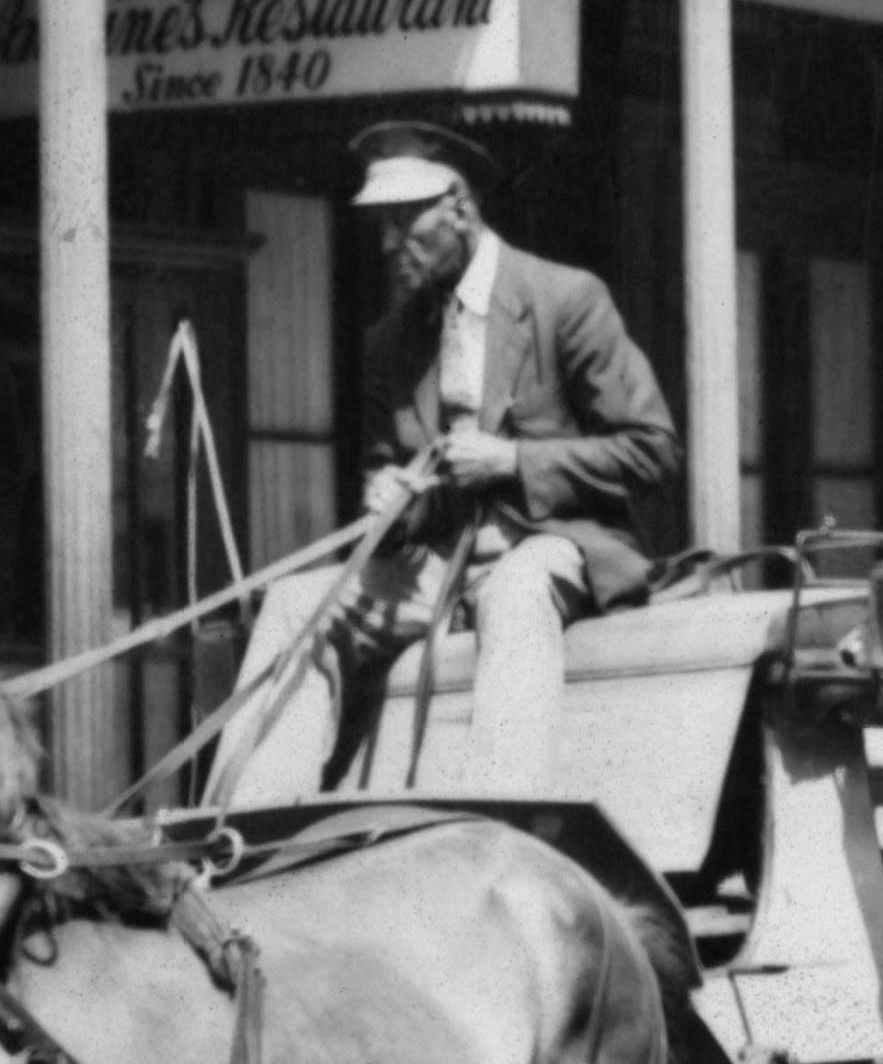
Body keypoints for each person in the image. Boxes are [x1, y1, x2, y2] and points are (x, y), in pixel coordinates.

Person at [217, 120, 673, 801]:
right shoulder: (389, 341)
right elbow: (385, 465)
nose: (387, 243)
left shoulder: (565, 299)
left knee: (516, 593)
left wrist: (513, 458)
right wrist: (389, 498)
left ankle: (496, 824)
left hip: (550, 547)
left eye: (404, 221)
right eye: (379, 224)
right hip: (436, 566)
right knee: (292, 603)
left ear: (459, 206)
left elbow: (651, 450)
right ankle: (246, 835)